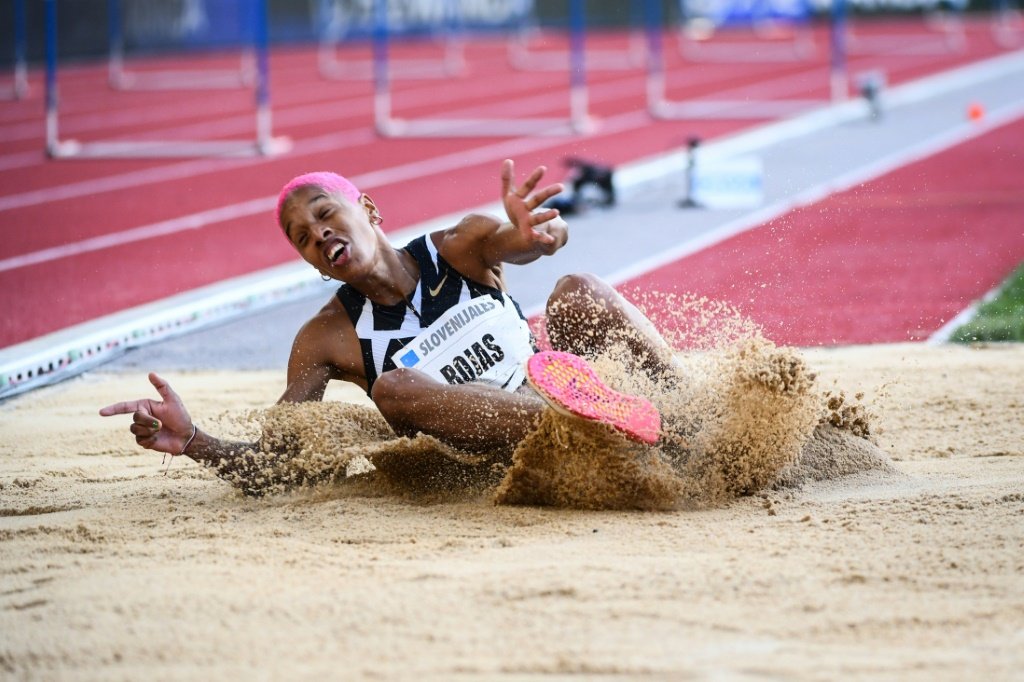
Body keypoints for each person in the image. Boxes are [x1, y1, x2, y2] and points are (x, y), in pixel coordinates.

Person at [100, 160, 681, 472]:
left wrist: (544, 234)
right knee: (394, 387)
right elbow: (279, 459)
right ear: (314, 264)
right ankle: (584, 431)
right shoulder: (325, 339)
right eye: (303, 238)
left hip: (559, 385)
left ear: (369, 210)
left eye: (326, 214)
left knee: (577, 288)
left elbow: (528, 242)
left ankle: (688, 420)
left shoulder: (458, 246)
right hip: (501, 452)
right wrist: (194, 439)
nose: (319, 233)